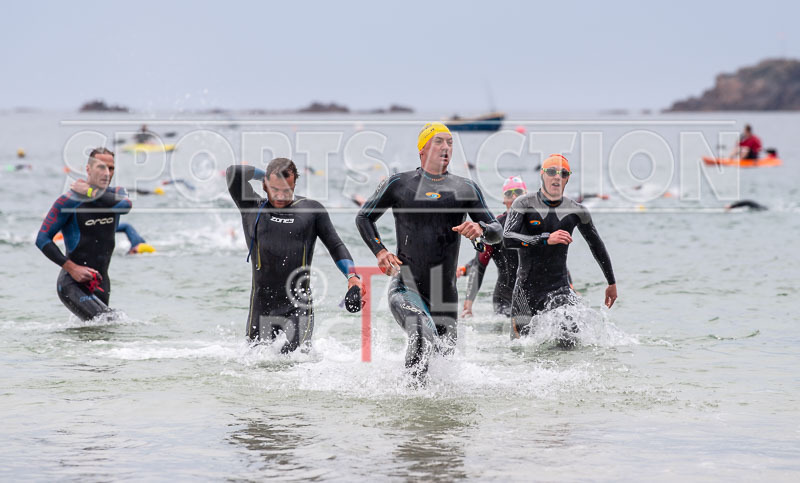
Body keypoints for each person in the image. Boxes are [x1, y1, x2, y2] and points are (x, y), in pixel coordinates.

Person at [355, 122, 502, 380]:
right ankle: (409, 405)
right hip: (406, 285)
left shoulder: (465, 188)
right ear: (422, 149)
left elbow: (497, 231)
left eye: (450, 142)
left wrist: (480, 228)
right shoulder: (399, 183)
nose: (446, 147)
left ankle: (433, 419)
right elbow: (364, 217)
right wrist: (380, 251)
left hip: (445, 293)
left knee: (442, 369)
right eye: (438, 141)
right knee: (421, 334)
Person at [226, 157, 364, 353]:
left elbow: (335, 245)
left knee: (296, 363)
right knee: (255, 364)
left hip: (298, 307)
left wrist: (352, 277)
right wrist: (262, 174)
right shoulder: (251, 206)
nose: (281, 196)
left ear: (295, 184)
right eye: (275, 189)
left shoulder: (311, 211)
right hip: (261, 306)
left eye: (287, 190)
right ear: (265, 185)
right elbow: (234, 172)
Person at [503, 154, 617, 347]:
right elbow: (507, 238)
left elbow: (596, 244)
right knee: (521, 348)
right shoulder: (523, 204)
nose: (557, 176)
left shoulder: (576, 210)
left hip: (560, 288)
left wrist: (611, 282)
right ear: (542, 175)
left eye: (563, 173)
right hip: (526, 290)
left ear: (567, 178)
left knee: (570, 338)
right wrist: (546, 239)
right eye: (551, 172)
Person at [35, 148, 132, 320]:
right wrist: (72, 268)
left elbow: (125, 206)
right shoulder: (68, 201)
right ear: (88, 169)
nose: (107, 173)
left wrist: (88, 191)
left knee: (97, 337)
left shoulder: (117, 195)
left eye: (111, 168)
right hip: (73, 283)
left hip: (101, 281)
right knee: (109, 322)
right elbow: (42, 239)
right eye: (101, 167)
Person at [460, 175, 527, 318]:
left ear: (526, 196)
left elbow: (552, 258)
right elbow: (480, 264)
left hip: (531, 294)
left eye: (519, 192)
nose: (514, 196)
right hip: (505, 299)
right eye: (509, 193)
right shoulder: (495, 229)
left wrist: (568, 286)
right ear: (504, 200)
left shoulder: (537, 224)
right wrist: (468, 306)